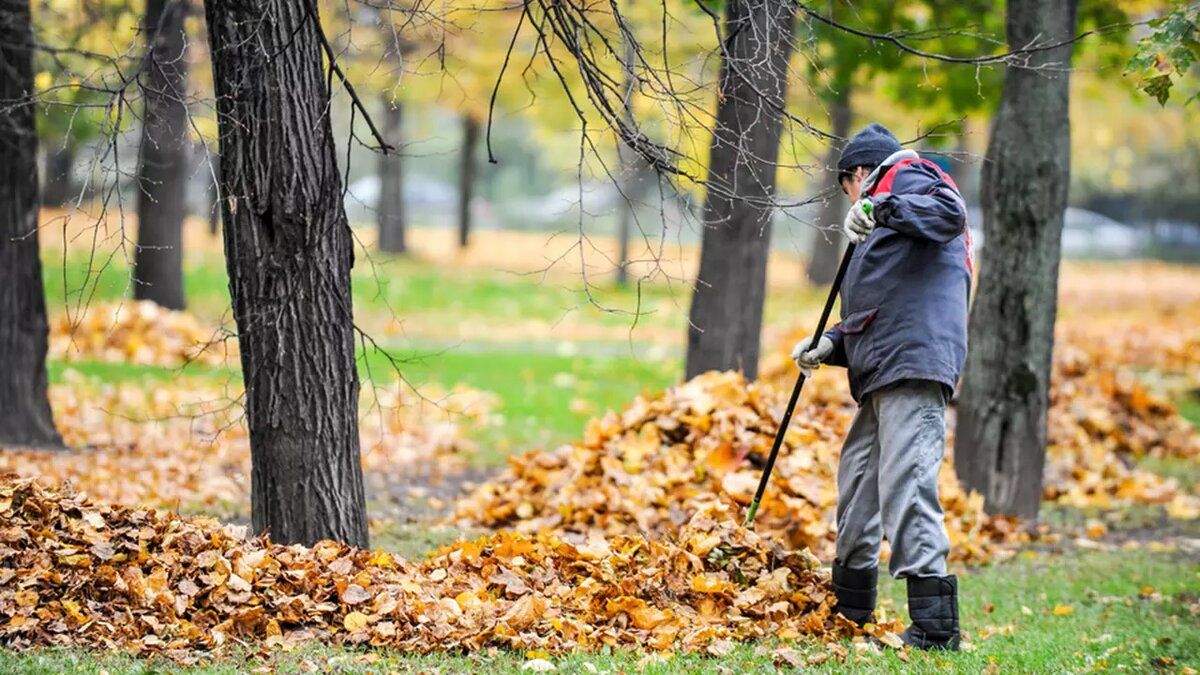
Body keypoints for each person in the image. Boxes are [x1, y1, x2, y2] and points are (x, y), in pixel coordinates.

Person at [792, 123, 972, 650]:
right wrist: (830, 344)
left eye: (847, 187)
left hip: (912, 366)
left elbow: (948, 215)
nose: (849, 198)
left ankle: (936, 630)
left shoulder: (911, 175)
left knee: (907, 486)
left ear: (858, 175)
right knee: (859, 486)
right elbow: (884, 309)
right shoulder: (886, 215)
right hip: (885, 368)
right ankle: (851, 613)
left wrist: (879, 206)